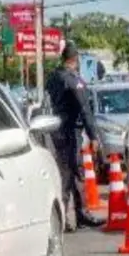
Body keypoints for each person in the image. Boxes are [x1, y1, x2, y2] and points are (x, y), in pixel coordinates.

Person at [44, 42, 105, 230]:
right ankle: (74, 216)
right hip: (70, 130)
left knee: (68, 171)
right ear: (75, 60)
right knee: (72, 172)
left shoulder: (53, 77)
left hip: (56, 129)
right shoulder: (73, 80)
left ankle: (74, 215)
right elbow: (84, 109)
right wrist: (94, 135)